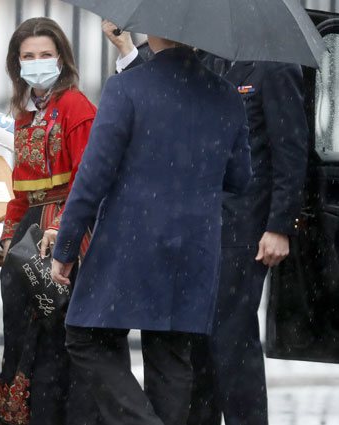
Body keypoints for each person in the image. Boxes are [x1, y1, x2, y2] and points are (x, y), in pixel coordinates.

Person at [104, 21, 310, 425]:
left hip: (243, 230)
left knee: (232, 343)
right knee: (194, 343)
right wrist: (127, 47)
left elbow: (291, 149)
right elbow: (159, 95)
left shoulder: (273, 64)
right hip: (195, 227)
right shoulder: (202, 61)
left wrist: (280, 225)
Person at [52, 35, 253, 425]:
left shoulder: (126, 87)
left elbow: (93, 178)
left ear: (153, 30)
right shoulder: (226, 94)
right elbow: (242, 177)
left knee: (85, 338)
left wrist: (66, 246)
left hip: (128, 244)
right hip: (194, 248)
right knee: (172, 359)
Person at [0, 17, 98, 425]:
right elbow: (21, 188)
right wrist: (8, 236)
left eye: (45, 55)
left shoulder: (76, 107)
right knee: (21, 333)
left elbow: (87, 178)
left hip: (61, 229)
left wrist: (63, 230)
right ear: (17, 64)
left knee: (55, 335)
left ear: (61, 60)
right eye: (28, 56)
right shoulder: (23, 114)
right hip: (27, 233)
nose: (37, 63)